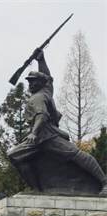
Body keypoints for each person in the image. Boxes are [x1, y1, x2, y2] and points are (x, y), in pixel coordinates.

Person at [7, 50, 107, 195]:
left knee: (77, 155)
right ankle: (36, 189)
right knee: (15, 155)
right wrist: (41, 60)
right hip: (41, 137)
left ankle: (104, 182)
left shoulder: (38, 98)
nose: (30, 84)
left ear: (40, 83)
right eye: (29, 81)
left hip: (46, 136)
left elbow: (41, 115)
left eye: (34, 81)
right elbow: (47, 77)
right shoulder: (46, 91)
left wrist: (34, 134)